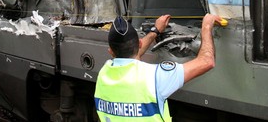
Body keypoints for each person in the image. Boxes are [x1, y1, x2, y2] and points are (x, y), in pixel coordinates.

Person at [94, 13, 223, 121]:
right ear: (139, 43)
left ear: (110, 51)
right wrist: (206, 26)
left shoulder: (104, 74)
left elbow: (130, 56)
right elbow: (207, 61)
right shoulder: (155, 77)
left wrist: (155, 31)